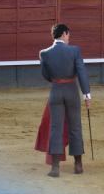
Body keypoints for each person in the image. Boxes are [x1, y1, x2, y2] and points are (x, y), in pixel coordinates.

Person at [39, 23, 91, 178]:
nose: (69, 38)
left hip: (56, 91)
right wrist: (87, 95)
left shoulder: (44, 53)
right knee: (75, 126)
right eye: (68, 35)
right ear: (64, 34)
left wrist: (57, 80)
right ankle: (78, 165)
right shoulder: (74, 51)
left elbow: (46, 75)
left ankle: (55, 168)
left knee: (56, 128)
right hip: (71, 91)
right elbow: (82, 73)